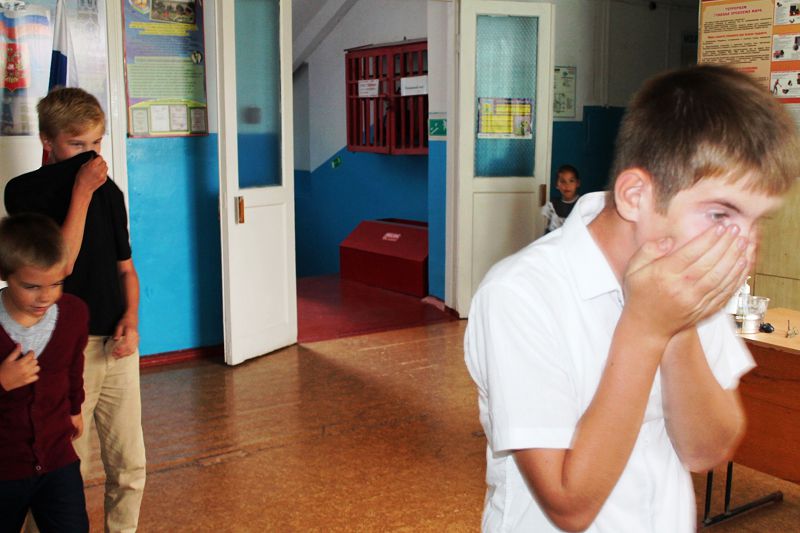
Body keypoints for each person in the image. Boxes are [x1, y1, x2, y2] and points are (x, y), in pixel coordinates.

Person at [464, 64, 800, 532]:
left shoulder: (687, 277)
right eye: (721, 214)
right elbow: (569, 505)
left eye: (756, 221)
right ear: (636, 195)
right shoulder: (519, 294)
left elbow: (705, 451)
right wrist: (646, 329)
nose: (743, 245)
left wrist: (680, 328)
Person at [5, 87, 146, 533]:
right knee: (64, 466)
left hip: (115, 344)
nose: (91, 155)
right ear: (48, 142)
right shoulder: (24, 192)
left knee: (130, 464)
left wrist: (131, 319)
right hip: (65, 348)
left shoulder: (110, 193)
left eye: (97, 143)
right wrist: (82, 191)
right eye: (77, 143)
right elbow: (60, 266)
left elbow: (126, 269)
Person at [0, 213, 89, 532]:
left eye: (56, 283)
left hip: (57, 458)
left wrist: (74, 408)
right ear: (5, 274)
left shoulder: (74, 313)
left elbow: (73, 365)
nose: (46, 296)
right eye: (31, 286)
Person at [541, 164, 581, 233]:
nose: (567, 185)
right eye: (563, 181)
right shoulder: (551, 205)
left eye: (571, 181)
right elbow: (546, 229)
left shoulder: (582, 204)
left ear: (577, 183)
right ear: (557, 185)